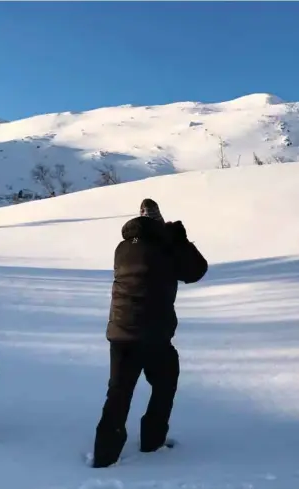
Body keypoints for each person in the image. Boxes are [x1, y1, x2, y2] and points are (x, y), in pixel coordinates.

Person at [91, 198, 208, 468]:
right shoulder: (166, 247)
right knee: (165, 383)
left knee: (118, 393)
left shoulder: (121, 248)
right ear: (158, 223)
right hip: (154, 334)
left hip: (120, 333)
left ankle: (104, 454)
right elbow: (196, 271)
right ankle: (152, 441)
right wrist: (180, 238)